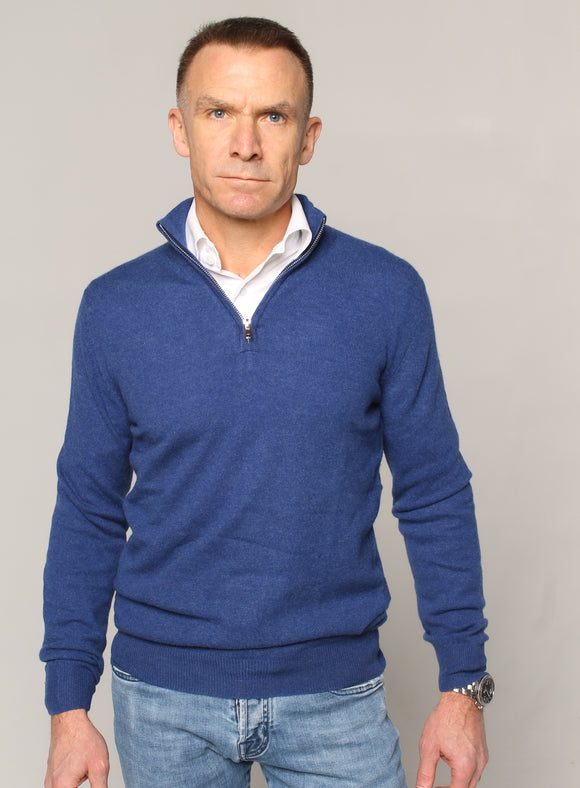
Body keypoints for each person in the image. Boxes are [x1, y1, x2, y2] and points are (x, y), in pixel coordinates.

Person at [41, 16, 492, 788]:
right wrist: (67, 706)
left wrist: (464, 686)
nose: (245, 143)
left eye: (273, 116)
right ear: (180, 129)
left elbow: (434, 492)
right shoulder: (115, 306)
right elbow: (88, 505)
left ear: (307, 137)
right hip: (163, 702)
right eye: (218, 112)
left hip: (337, 700)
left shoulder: (384, 293)